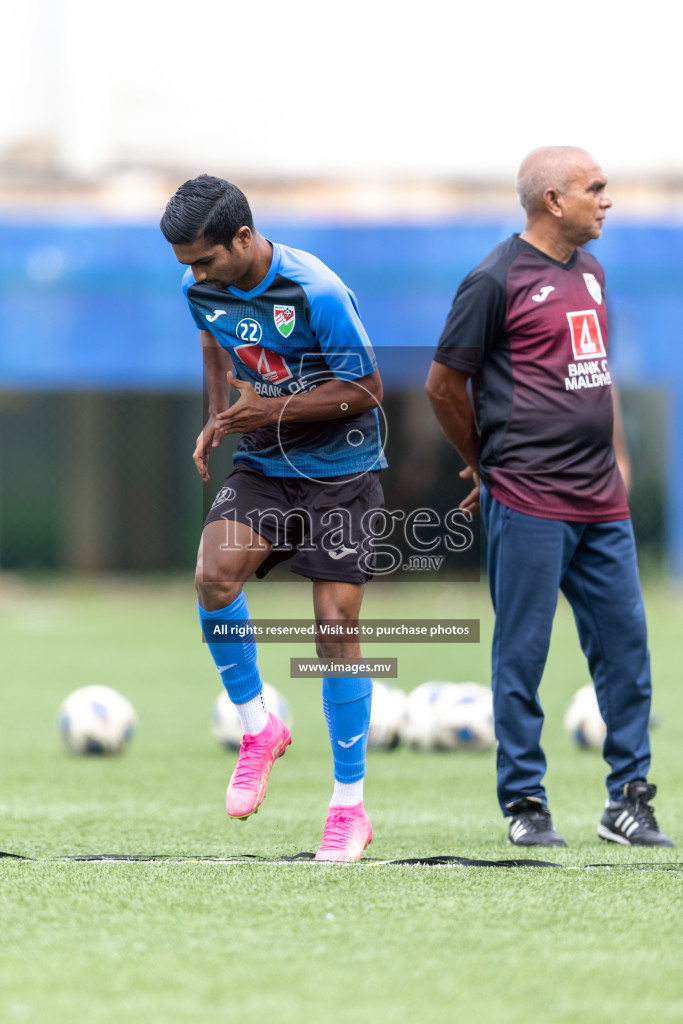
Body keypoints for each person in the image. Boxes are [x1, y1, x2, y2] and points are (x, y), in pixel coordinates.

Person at [425, 146, 673, 848]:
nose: (607, 198)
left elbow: (597, 375)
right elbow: (443, 386)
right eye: (594, 188)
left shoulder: (590, 272)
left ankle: (627, 801)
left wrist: (617, 459)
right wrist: (483, 465)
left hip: (602, 502)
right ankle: (524, 804)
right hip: (528, 498)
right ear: (552, 201)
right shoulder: (492, 280)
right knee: (522, 656)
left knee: (626, 652)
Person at [160, 175, 386, 861]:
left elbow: (370, 389)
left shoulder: (315, 290)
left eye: (204, 260)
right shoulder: (199, 287)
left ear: (244, 238)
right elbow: (211, 339)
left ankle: (349, 808)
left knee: (334, 631)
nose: (195, 276)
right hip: (265, 464)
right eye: (186, 266)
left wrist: (275, 410)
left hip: (344, 471)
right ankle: (258, 728)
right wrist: (218, 415)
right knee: (213, 576)